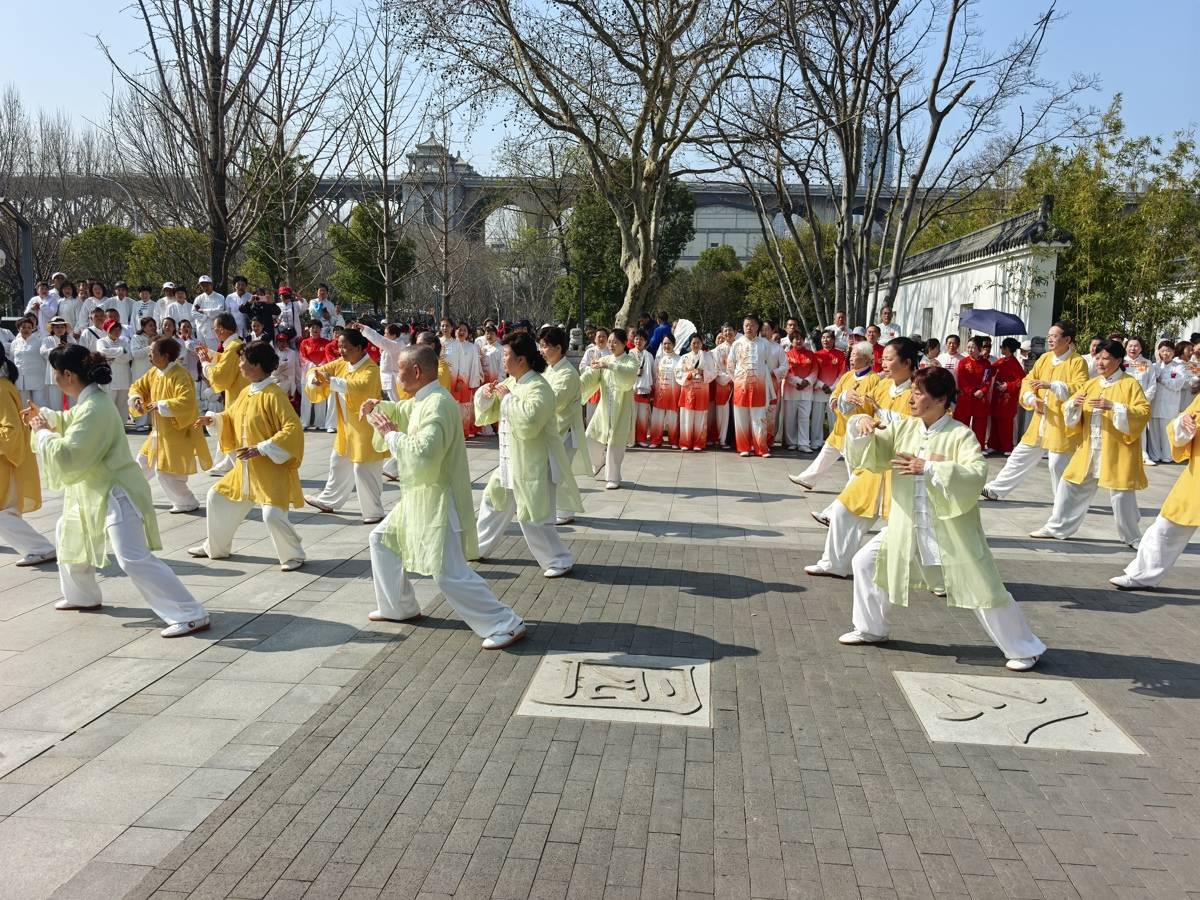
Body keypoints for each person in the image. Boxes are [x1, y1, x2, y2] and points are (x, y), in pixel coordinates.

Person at [838, 366, 1046, 670]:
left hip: (948, 528)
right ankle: (871, 628)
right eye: (912, 392)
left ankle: (1025, 648)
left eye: (918, 393)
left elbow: (976, 473)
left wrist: (929, 467)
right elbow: (875, 450)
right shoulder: (904, 427)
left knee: (982, 587)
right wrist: (862, 424)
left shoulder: (960, 434)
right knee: (865, 562)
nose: (911, 398)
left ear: (940, 399)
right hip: (907, 524)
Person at [25, 345, 209, 636]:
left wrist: (42, 431)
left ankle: (189, 612)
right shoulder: (90, 402)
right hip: (95, 488)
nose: (54, 378)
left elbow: (70, 455)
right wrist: (45, 418)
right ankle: (82, 595)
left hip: (116, 491)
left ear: (68, 375)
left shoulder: (95, 407)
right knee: (68, 531)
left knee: (131, 556)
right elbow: (71, 422)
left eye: (56, 372)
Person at [360, 345, 527, 649]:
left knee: (448, 572)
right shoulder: (425, 399)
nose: (396, 375)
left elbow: (425, 452)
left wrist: (391, 435)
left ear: (416, 371)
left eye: (399, 369)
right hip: (422, 495)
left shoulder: (437, 403)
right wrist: (378, 407)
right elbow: (403, 412)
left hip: (439, 499)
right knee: (382, 540)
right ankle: (398, 606)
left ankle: (505, 623)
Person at [188, 341, 306, 571]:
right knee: (217, 497)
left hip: (270, 471)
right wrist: (214, 419)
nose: (240, 365)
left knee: (272, 516)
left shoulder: (274, 395)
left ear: (257, 365)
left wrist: (262, 448)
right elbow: (231, 415)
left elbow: (292, 429)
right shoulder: (247, 391)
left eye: (243, 360)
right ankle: (216, 547)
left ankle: (294, 554)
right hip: (245, 469)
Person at [805, 338, 917, 578]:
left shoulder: (918, 392)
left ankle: (942, 579)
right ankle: (833, 564)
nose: (883, 363)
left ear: (907, 362)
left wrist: (883, 417)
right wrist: (848, 403)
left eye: (889, 359)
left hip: (902, 472)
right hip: (874, 466)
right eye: (882, 359)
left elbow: (920, 428)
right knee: (842, 511)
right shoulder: (882, 387)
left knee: (915, 530)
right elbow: (858, 414)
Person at [474, 333, 583, 577]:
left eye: (506, 355)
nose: (503, 359)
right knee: (493, 501)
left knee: (533, 515)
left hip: (533, 462)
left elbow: (530, 422)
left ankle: (559, 560)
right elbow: (492, 411)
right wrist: (485, 394)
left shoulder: (538, 387)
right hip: (510, 460)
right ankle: (476, 547)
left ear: (521, 359)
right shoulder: (513, 383)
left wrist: (507, 399)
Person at [1031, 340, 1149, 549]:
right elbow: (1071, 407)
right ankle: (1057, 527)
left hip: (1117, 449)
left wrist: (1114, 406)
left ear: (1118, 361)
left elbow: (1143, 411)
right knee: (1069, 484)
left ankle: (1132, 537)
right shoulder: (1092, 383)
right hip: (1089, 448)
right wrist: (1073, 405)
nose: (1100, 362)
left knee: (1121, 494)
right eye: (1098, 358)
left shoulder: (1129, 384)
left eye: (1106, 358)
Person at [981, 321, 1088, 501]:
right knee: (1019, 456)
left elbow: (1080, 388)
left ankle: (1064, 502)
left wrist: (1052, 386)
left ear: (1067, 339)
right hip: (1040, 421)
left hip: (1060, 424)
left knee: (1057, 464)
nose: (1050, 339)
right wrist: (1031, 398)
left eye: (1054, 336)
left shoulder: (1077, 362)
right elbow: (1028, 381)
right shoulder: (1045, 359)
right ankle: (995, 489)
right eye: (1049, 336)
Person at [1112, 391, 1200, 590]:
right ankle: (1141, 575)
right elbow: (1179, 426)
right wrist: (1183, 423)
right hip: (1196, 479)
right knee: (1167, 526)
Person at [304, 328, 388, 523]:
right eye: (339, 346)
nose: (340, 350)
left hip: (366, 428)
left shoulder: (371, 369)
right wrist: (314, 379)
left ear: (358, 347)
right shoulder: (342, 364)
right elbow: (318, 370)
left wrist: (330, 381)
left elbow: (360, 387)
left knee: (363, 469)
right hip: (347, 427)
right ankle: (328, 500)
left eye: (345, 347)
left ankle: (374, 512)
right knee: (338, 461)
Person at [129, 336, 213, 514]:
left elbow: (186, 401)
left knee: (167, 473)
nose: (149, 355)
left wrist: (160, 405)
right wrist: (136, 399)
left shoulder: (180, 375)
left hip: (176, 433)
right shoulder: (154, 372)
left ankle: (187, 502)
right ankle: (131, 494)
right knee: (142, 462)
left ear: (165, 355)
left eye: (152, 352)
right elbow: (138, 386)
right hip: (158, 432)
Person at [788, 341, 878, 489]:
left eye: (855, 355)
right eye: (851, 355)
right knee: (826, 454)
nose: (851, 358)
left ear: (867, 358)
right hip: (840, 427)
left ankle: (854, 493)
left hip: (857, 433)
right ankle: (807, 479)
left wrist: (852, 401)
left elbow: (870, 404)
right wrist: (840, 399)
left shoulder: (874, 380)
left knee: (853, 466)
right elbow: (835, 396)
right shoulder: (847, 376)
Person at [0, 344, 56, 566]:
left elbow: (10, 429)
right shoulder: (4, 385)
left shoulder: (1, 389)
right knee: (7, 510)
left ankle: (40, 548)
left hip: (7, 460)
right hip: (10, 457)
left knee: (3, 512)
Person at [539, 326, 590, 523]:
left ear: (559, 348)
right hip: (553, 429)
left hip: (566, 431)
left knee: (558, 472)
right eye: (541, 346)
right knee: (552, 471)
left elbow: (555, 400)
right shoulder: (549, 369)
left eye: (545, 346)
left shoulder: (568, 373)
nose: (542, 350)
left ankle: (565, 510)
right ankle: (555, 508)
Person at [580, 328, 639, 489]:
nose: (611, 345)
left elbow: (629, 376)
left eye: (615, 342)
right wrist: (578, 384)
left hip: (622, 408)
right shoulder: (604, 359)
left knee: (615, 443)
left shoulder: (630, 360)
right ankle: (598, 462)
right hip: (604, 408)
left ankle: (613, 477)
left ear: (624, 343)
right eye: (610, 342)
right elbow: (591, 376)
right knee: (590, 436)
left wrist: (610, 366)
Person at [196, 314, 248, 475]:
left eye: (215, 329)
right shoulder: (235, 344)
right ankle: (227, 462)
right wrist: (211, 355)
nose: (214, 332)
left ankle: (237, 466)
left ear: (221, 329)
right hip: (237, 393)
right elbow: (225, 362)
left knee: (232, 429)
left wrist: (205, 363)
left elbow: (220, 376)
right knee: (228, 427)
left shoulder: (233, 347)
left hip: (238, 395)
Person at [727, 315, 778, 458]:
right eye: (746, 325)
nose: (749, 328)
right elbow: (730, 365)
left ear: (757, 327)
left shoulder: (764, 344)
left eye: (752, 325)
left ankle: (761, 448)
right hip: (741, 387)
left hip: (758, 386)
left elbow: (769, 363)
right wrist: (737, 380)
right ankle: (743, 447)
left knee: (759, 417)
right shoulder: (737, 344)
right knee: (741, 418)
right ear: (743, 327)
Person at [676, 333, 717, 452]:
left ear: (702, 343)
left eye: (698, 342)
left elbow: (714, 372)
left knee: (700, 418)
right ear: (690, 344)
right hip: (688, 391)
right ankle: (685, 442)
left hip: (702, 391)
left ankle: (699, 443)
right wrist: (689, 375)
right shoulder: (684, 357)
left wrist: (703, 372)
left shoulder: (708, 357)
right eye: (693, 343)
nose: (696, 345)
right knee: (686, 417)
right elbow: (677, 372)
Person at [986, 338, 1025, 456]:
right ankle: (993, 445)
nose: (1001, 349)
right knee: (995, 421)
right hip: (997, 396)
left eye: (1002, 347)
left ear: (1007, 348)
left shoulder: (1015, 364)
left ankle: (1007, 447)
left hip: (1007, 398)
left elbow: (1021, 380)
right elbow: (990, 370)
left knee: (1006, 423)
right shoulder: (1001, 361)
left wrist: (1007, 385)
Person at [1148, 340, 1185, 463]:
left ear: (1173, 352)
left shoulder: (1178, 367)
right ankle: (1154, 455)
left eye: (1168, 351)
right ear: (1158, 352)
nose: (1165, 353)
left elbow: (1178, 384)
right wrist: (1163, 379)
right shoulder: (1154, 366)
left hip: (1170, 405)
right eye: (1162, 350)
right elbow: (1151, 380)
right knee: (1153, 432)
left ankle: (1167, 456)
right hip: (1155, 404)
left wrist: (1162, 380)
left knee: (1167, 432)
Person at [445, 322, 483, 439]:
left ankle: (464, 432)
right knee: (452, 406)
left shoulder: (472, 347)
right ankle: (452, 432)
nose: (461, 332)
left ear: (468, 333)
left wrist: (474, 381)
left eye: (464, 330)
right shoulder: (449, 344)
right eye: (459, 329)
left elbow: (475, 365)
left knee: (465, 407)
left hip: (466, 382)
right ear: (454, 330)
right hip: (451, 381)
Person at [1123, 336, 1157, 467]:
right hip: (1124, 401)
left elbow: (1152, 384)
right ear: (1126, 347)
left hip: (1141, 402)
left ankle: (1143, 455)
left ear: (1141, 348)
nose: (1133, 348)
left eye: (1136, 346)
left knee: (1141, 429)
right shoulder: (1120, 361)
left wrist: (1143, 400)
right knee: (1123, 426)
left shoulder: (1147, 363)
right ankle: (1124, 454)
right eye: (1130, 346)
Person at [782, 329, 817, 451]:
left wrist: (807, 381)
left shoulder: (811, 354)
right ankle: (791, 442)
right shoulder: (786, 355)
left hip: (806, 391)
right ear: (791, 341)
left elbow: (815, 371)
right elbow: (786, 372)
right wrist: (797, 381)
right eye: (796, 339)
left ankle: (803, 443)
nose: (798, 341)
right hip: (791, 391)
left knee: (804, 418)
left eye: (801, 338)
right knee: (790, 418)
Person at [953, 335, 991, 448]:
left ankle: (978, 447)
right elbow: (961, 380)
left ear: (979, 348)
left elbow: (987, 380)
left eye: (973, 347)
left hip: (980, 397)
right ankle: (959, 446)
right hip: (966, 397)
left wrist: (983, 391)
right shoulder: (963, 362)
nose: (970, 350)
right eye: (968, 347)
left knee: (980, 424)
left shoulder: (986, 364)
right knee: (962, 422)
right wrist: (972, 391)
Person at [812, 328, 847, 437]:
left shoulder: (840, 355)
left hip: (834, 391)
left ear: (833, 340)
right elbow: (813, 373)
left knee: (834, 418)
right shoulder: (816, 355)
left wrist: (832, 387)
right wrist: (821, 385)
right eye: (823, 337)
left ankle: (834, 441)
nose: (825, 340)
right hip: (819, 390)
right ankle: (816, 442)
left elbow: (842, 372)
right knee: (817, 418)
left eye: (828, 338)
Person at [649, 333, 681, 448]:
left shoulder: (679, 359)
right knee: (657, 417)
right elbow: (654, 375)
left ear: (674, 344)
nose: (667, 346)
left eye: (669, 343)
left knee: (673, 418)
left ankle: (674, 441)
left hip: (673, 393)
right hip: (660, 392)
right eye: (665, 343)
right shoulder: (659, 359)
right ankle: (655, 440)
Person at [96, 321, 133, 418]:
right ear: (108, 330)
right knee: (109, 404)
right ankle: (108, 424)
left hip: (124, 377)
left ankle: (122, 424)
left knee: (123, 404)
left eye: (119, 329)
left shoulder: (124, 342)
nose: (117, 331)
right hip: (109, 378)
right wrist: (121, 351)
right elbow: (102, 353)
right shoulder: (101, 341)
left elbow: (129, 357)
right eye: (114, 329)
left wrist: (112, 357)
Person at [39, 317, 76, 411]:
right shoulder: (48, 339)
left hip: (69, 375)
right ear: (52, 328)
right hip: (53, 376)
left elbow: (77, 353)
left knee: (72, 403)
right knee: (55, 404)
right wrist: (57, 349)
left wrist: (67, 348)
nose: (60, 329)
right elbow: (43, 352)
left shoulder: (71, 339)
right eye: (57, 327)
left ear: (65, 328)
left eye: (62, 327)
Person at [709, 324, 736, 447]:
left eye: (730, 330)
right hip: (723, 384)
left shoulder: (739, 347)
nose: (728, 333)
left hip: (739, 383)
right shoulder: (717, 350)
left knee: (738, 412)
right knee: (722, 413)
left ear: (735, 332)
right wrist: (730, 378)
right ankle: (722, 439)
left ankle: (737, 440)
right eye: (725, 331)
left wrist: (736, 377)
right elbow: (716, 369)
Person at [11, 319, 46, 409]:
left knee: (39, 405)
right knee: (24, 406)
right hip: (20, 379)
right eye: (23, 327)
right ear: (18, 329)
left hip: (37, 378)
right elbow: (12, 360)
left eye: (29, 327)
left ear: (33, 329)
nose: (26, 329)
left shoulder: (39, 342)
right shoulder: (15, 343)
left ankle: (41, 419)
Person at [579, 327, 610, 427]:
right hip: (592, 387)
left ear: (607, 338)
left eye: (604, 336)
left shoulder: (610, 352)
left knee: (605, 416)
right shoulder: (590, 351)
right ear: (595, 339)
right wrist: (592, 368)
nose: (601, 339)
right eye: (599, 336)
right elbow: (582, 367)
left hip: (606, 387)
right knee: (591, 416)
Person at [631, 330, 654, 447]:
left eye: (641, 339)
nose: (638, 341)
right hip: (632, 389)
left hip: (644, 390)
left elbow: (653, 373)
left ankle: (641, 439)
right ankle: (630, 439)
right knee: (631, 416)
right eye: (636, 338)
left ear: (645, 342)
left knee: (642, 416)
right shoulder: (629, 354)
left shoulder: (649, 356)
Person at [192, 276, 225, 348]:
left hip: (214, 330)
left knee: (214, 352)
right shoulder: (198, 298)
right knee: (202, 352)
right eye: (202, 285)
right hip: (201, 330)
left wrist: (203, 311)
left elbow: (219, 311)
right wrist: (205, 317)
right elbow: (193, 313)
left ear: (211, 285)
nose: (205, 287)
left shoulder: (220, 297)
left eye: (207, 285)